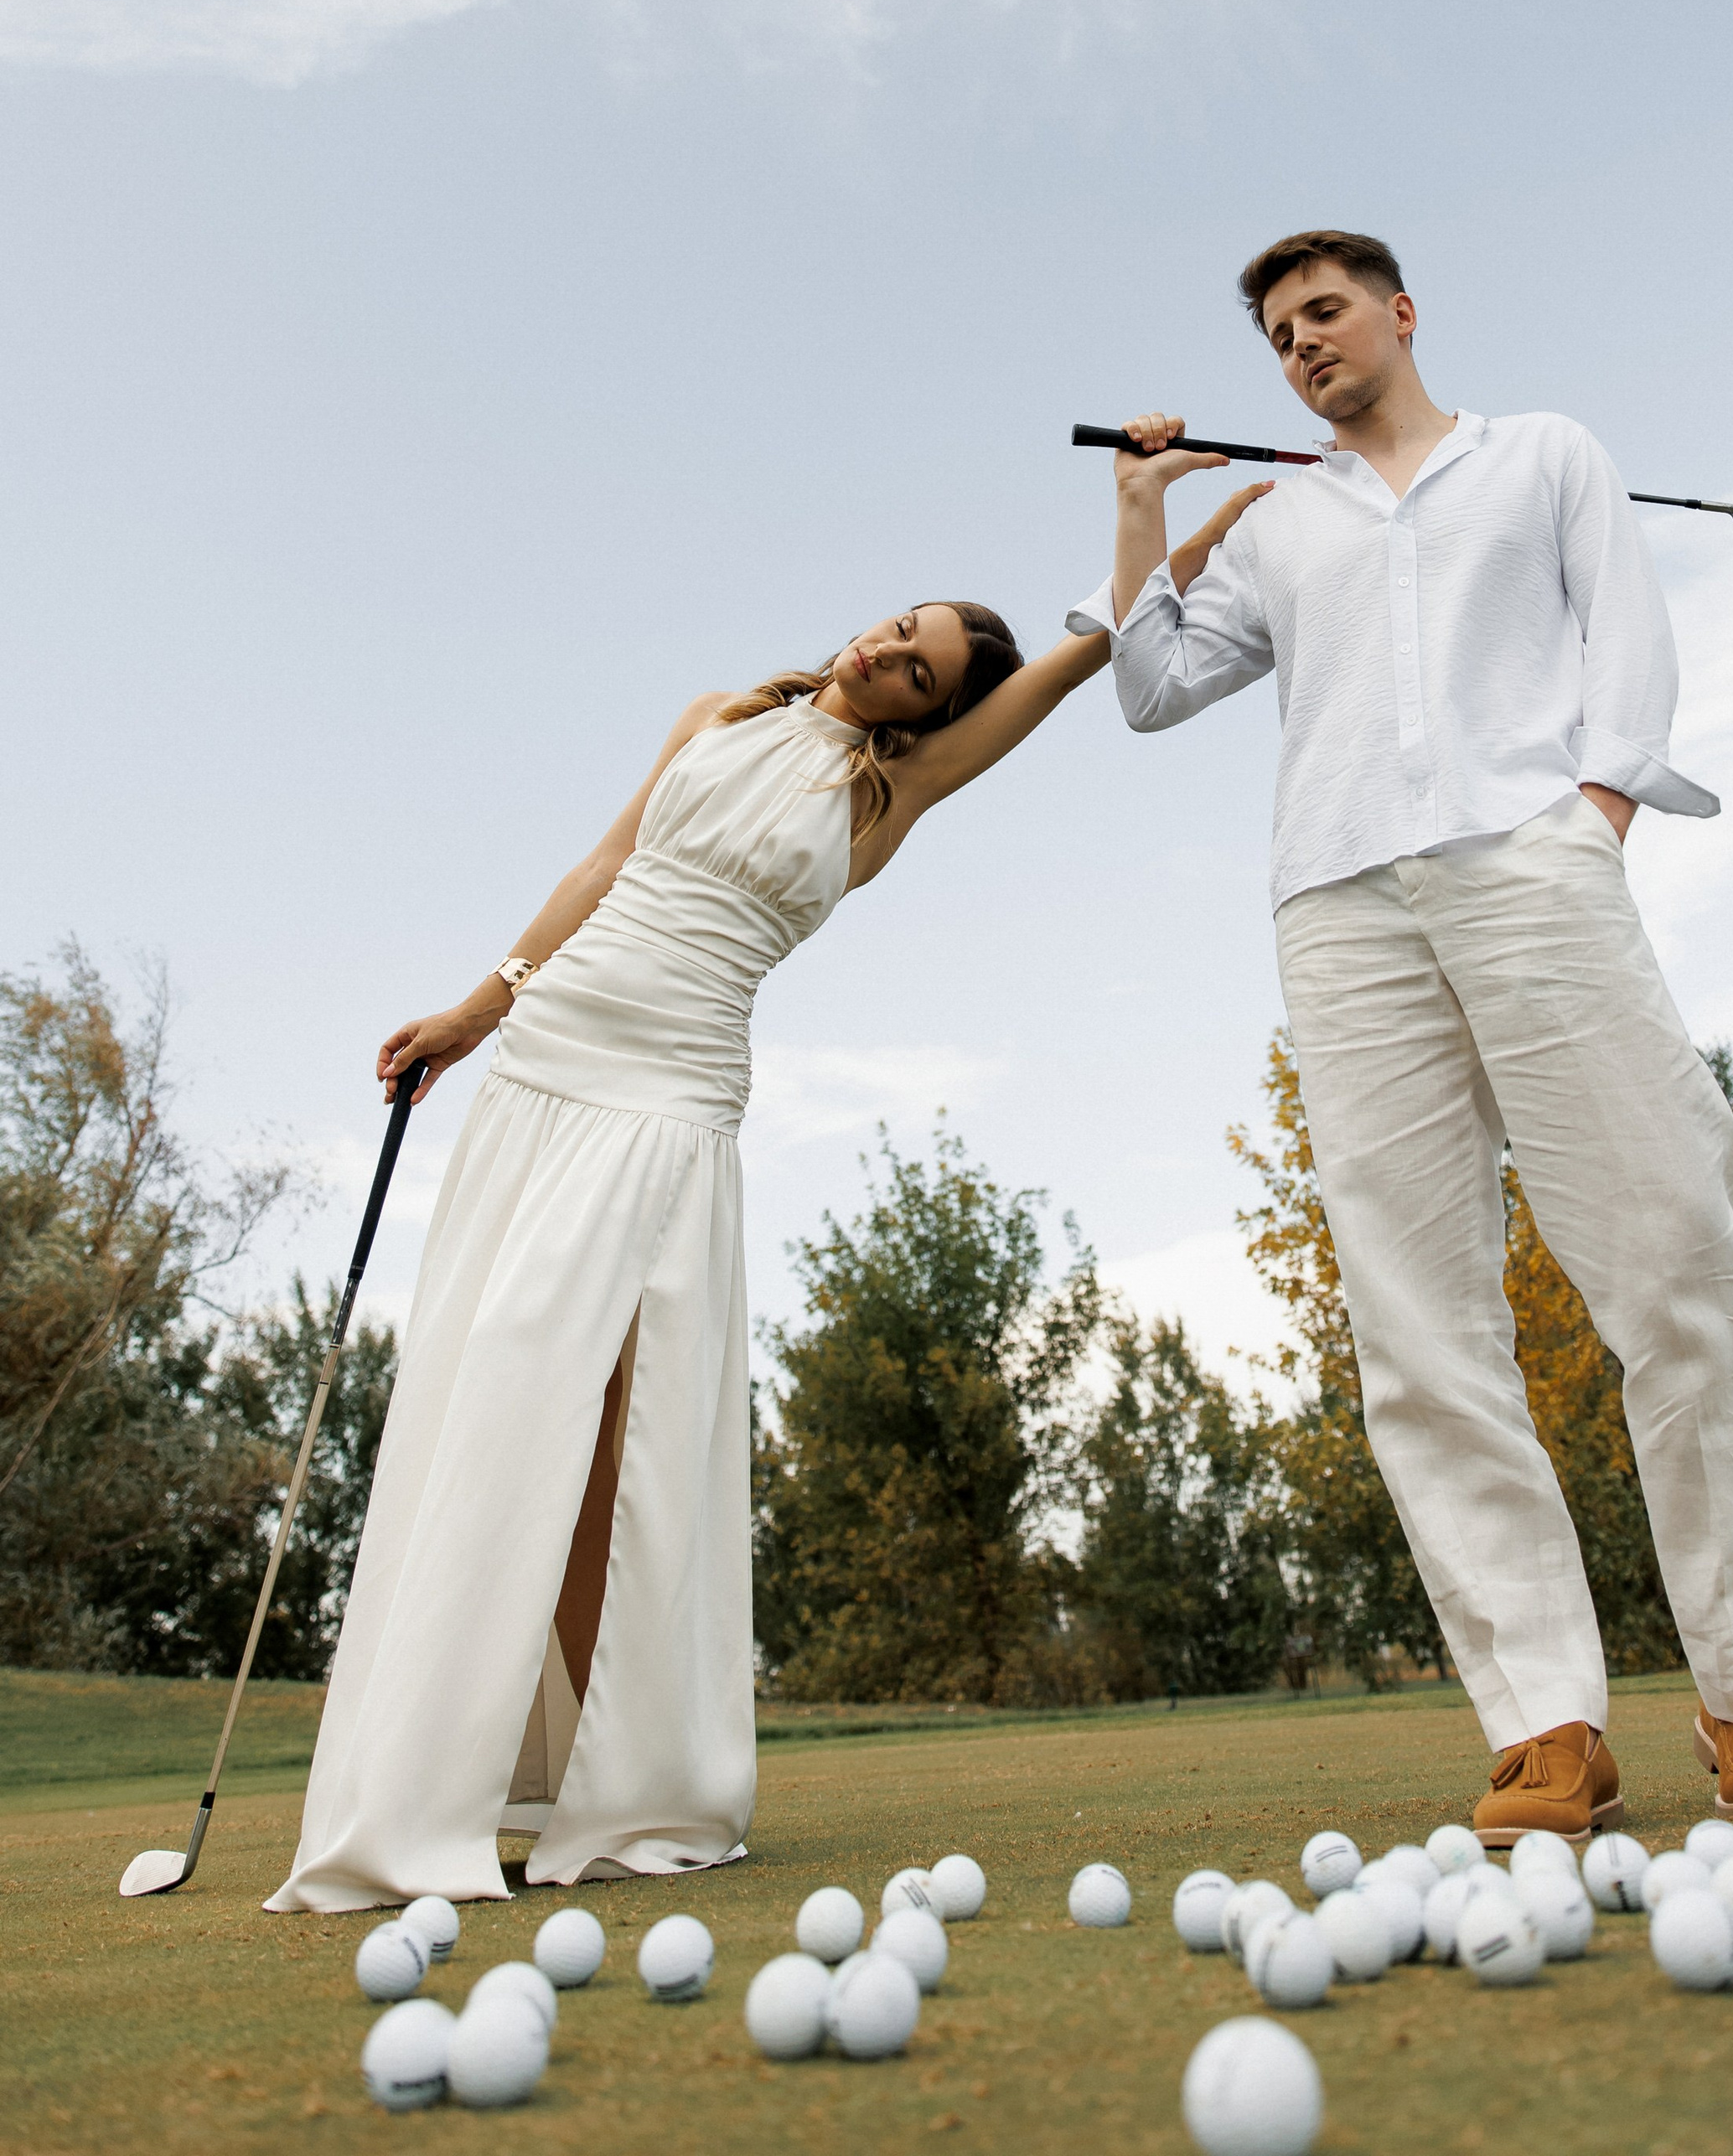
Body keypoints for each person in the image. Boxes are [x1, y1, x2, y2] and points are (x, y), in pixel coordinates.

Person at [267, 540, 1239, 1916]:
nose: (887, 654)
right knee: (498, 1387)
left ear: (925, 714)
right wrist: (474, 1013)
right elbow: (605, 863)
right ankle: (472, 1776)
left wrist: (1146, 520)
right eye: (899, 627)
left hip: (670, 1092)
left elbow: (1084, 655)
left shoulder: (887, 791)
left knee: (610, 1419)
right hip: (550, 1057)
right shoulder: (715, 718)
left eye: (921, 670)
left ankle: (630, 1782)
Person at [1072, 229, 1733, 1842]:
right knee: (1418, 1318)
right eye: (1279, 335)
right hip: (1339, 914)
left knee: (1676, 1256)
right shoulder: (1275, 523)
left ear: (1400, 315)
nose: (1303, 347)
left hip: (1534, 868)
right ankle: (1545, 1721)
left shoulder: (1545, 456)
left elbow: (1629, 638)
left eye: (1324, 313)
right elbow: (1148, 688)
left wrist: (1596, 811)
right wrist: (1142, 513)